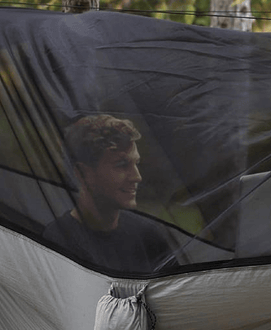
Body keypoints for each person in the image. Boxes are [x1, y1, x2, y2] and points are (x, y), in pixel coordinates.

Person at [42, 114, 178, 273]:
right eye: (121, 165)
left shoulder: (148, 234)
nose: (137, 177)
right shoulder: (59, 242)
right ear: (83, 173)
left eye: (136, 164)